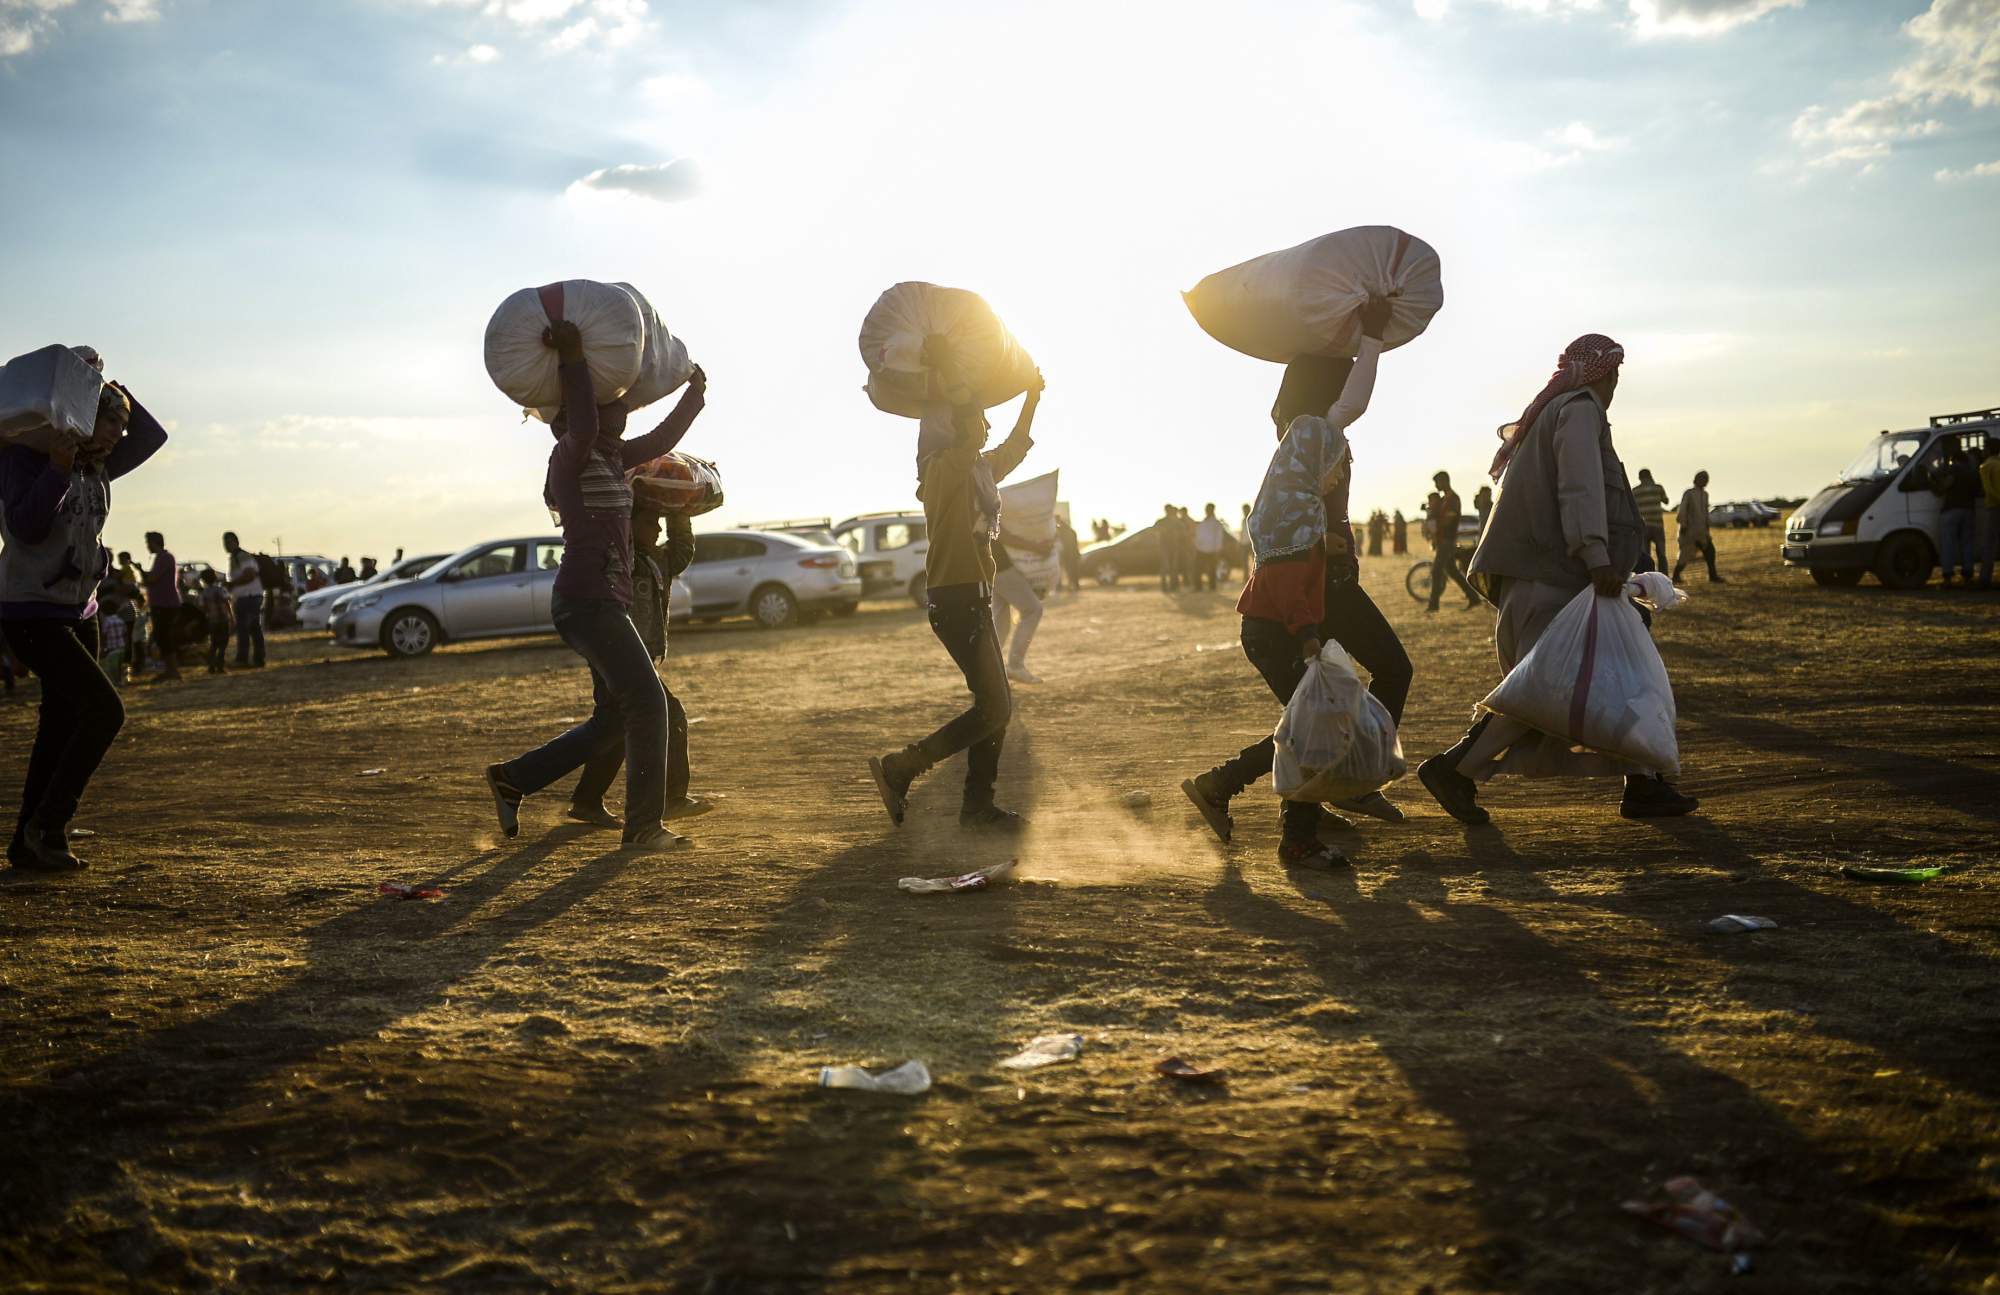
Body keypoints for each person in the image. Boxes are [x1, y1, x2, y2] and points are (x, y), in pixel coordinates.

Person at [1417, 333, 1696, 825]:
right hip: (1557, 579)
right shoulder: (1581, 409)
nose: (1614, 383)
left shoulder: (1555, 412)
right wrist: (1596, 557)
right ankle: (1453, 768)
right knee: (1544, 692)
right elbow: (1579, 486)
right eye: (1613, 373)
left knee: (1599, 678)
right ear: (1603, 373)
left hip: (1555, 579)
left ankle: (1644, 781)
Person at [1182, 294, 1412, 870]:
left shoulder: (1294, 458)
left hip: (1312, 594)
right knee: (1330, 716)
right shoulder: (1312, 440)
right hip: (1311, 600)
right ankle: (1323, 799)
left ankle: (1251, 790)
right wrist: (1372, 337)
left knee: (1314, 718)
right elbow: (1353, 400)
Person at [485, 323, 710, 853]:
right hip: (587, 602)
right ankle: (644, 827)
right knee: (650, 705)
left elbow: (660, 442)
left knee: (614, 717)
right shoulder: (573, 454)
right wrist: (573, 355)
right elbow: (585, 418)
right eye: (613, 407)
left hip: (601, 602)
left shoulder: (611, 456)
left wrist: (694, 396)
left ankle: (513, 779)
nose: (621, 409)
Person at [0, 375, 168, 870]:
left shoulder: (100, 466)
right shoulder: (21, 459)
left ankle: (26, 844)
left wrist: (100, 381)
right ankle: (49, 824)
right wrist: (57, 463)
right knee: (104, 712)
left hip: (82, 611)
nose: (119, 434)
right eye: (109, 421)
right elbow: (27, 529)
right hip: (30, 611)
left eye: (121, 424)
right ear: (79, 418)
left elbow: (152, 436)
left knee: (59, 724)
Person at [869, 362, 1045, 833]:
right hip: (955, 600)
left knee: (997, 706)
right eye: (977, 420)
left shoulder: (979, 472)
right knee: (995, 707)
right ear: (953, 430)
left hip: (974, 598)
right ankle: (904, 767)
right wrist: (954, 370)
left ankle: (977, 807)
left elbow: (1016, 447)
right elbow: (970, 436)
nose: (986, 425)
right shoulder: (944, 472)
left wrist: (1032, 396)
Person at [569, 499, 707, 828]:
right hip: (619, 653)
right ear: (630, 527)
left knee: (617, 725)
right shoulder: (624, 560)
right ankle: (671, 798)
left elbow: (683, 548)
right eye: (651, 522)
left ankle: (587, 800)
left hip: (635, 654)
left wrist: (681, 508)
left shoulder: (657, 559)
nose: (658, 529)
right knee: (670, 714)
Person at [991, 526, 1049, 684]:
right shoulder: (994, 501)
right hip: (1000, 563)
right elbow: (1001, 533)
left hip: (991, 561)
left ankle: (988, 672)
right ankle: (1015, 666)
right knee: (1032, 610)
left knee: (1000, 620)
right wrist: (1035, 546)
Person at [1423, 471, 1477, 612]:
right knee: (1452, 571)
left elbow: (1448, 520)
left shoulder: (1453, 499)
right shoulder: (1445, 499)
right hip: (1444, 539)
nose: (1436, 486)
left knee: (1436, 571)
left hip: (1447, 540)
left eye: (1437, 482)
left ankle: (1433, 605)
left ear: (1444, 481)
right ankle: (1473, 597)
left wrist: (1436, 522)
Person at [1930, 445, 1981, 586]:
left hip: (1952, 510)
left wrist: (1936, 486)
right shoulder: (1972, 472)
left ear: (1954, 460)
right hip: (1969, 510)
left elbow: (1946, 485)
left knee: (1948, 543)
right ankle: (1968, 574)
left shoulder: (1954, 469)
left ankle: (1947, 575)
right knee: (1967, 544)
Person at [141, 531, 183, 681]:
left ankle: (172, 670)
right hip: (163, 602)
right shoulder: (164, 557)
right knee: (162, 636)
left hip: (165, 603)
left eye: (148, 543)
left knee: (163, 636)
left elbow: (152, 579)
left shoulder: (164, 558)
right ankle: (170, 669)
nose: (147, 546)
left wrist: (140, 571)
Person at [222, 532, 266, 667]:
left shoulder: (242, 556)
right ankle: (256, 658)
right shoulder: (236, 557)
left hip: (249, 596)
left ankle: (244, 659)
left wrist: (232, 584)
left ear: (235, 542)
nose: (226, 545)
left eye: (228, 542)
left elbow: (250, 575)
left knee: (245, 628)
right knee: (252, 628)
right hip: (246, 596)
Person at [1671, 470, 1723, 583]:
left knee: (1710, 552)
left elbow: (1705, 513)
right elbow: (1683, 510)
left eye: (1706, 479)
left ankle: (1713, 576)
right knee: (1684, 555)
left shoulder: (1705, 495)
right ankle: (1675, 576)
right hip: (1689, 531)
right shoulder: (1689, 493)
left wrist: (1707, 528)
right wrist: (1683, 525)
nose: (1705, 481)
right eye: (1703, 479)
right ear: (1697, 479)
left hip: (1702, 532)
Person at [1630, 468, 1670, 573]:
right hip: (1657, 525)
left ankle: (1648, 576)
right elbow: (1666, 501)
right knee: (1661, 554)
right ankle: (1664, 576)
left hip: (1643, 526)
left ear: (1639, 478)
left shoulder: (1635, 491)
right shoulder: (1658, 488)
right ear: (1650, 475)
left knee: (1646, 554)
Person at [197, 569, 232, 673]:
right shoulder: (221, 589)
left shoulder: (204, 593)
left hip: (212, 620)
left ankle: (211, 666)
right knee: (223, 643)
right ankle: (220, 665)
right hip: (223, 619)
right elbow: (227, 603)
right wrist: (231, 616)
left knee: (214, 643)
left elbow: (202, 607)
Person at [1980, 439, 2000, 589]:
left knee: (1989, 545)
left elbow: (1990, 490)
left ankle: (1985, 578)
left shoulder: (1986, 466)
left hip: (1993, 508)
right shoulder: (1997, 464)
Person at [1194, 503, 1226, 592]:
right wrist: (1197, 545)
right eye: (1206, 509)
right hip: (1200, 549)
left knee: (1211, 569)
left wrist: (1218, 549)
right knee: (1198, 569)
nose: (1207, 511)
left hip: (1212, 550)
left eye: (1208, 509)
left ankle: (1212, 587)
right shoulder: (1203, 522)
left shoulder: (1216, 523)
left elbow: (1219, 537)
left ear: (1212, 510)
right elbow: (1198, 535)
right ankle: (1198, 587)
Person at [1156, 503, 1181, 591]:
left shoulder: (1174, 521)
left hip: (1172, 547)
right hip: (1166, 547)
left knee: (1172, 567)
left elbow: (1182, 532)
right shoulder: (1162, 521)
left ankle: (1172, 586)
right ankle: (1167, 586)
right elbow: (1155, 530)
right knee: (1167, 567)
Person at [1055, 513, 1082, 594]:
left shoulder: (1063, 530)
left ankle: (1072, 586)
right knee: (1072, 571)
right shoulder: (1068, 530)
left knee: (1070, 571)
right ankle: (1074, 586)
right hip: (1071, 554)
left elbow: (1067, 544)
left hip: (1069, 554)